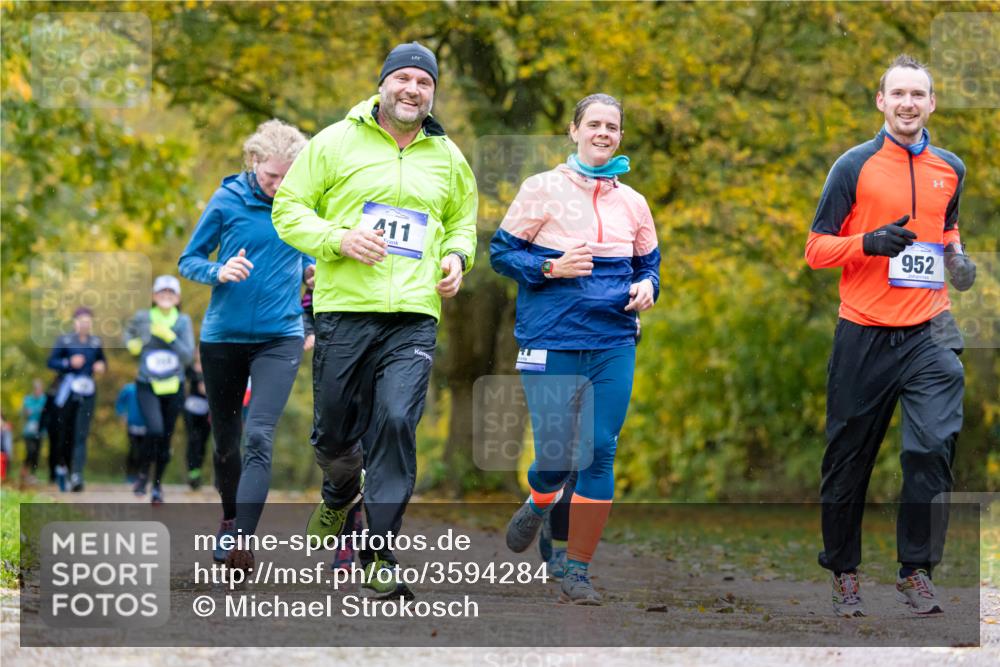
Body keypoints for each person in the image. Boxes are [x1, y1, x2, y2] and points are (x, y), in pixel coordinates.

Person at [272, 41, 477, 600]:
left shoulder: (449, 157)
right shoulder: (335, 142)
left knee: (395, 422)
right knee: (335, 433)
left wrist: (458, 258)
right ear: (383, 83)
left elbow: (462, 222)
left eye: (424, 82)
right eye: (404, 79)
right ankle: (339, 495)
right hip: (344, 310)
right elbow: (288, 209)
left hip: (413, 315)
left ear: (433, 93)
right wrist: (338, 239)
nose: (413, 89)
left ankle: (379, 550)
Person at [805, 55, 976, 618]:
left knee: (931, 448)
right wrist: (866, 243)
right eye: (897, 93)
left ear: (931, 104)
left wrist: (958, 259)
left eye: (918, 95)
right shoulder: (852, 167)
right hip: (865, 332)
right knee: (848, 458)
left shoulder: (950, 166)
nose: (908, 103)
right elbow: (815, 249)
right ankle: (845, 574)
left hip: (930, 329)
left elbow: (946, 229)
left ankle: (916, 571)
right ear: (880, 101)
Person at [491, 93, 660, 605]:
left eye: (612, 126)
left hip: (612, 339)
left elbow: (649, 267)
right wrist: (549, 267)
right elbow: (501, 254)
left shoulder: (633, 203)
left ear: (620, 137)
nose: (603, 133)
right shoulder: (540, 190)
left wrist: (648, 287)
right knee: (557, 454)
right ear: (574, 131)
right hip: (551, 339)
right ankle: (541, 498)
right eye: (594, 124)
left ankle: (578, 569)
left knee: (601, 447)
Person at [179, 119, 311, 569]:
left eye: (287, 177)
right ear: (254, 162)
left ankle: (241, 538)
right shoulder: (227, 200)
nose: (278, 186)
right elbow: (189, 259)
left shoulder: (302, 202)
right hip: (223, 338)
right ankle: (229, 516)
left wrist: (311, 284)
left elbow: (317, 256)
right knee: (226, 443)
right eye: (272, 176)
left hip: (281, 336)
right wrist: (218, 271)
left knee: (259, 436)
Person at [124, 275, 195, 505]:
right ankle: (143, 472)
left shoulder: (183, 322)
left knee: (165, 437)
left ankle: (156, 486)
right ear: (154, 296)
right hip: (147, 383)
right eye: (161, 291)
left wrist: (170, 337)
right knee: (154, 429)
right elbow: (127, 334)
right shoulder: (143, 317)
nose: (166, 295)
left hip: (174, 386)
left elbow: (187, 356)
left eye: (171, 292)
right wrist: (131, 344)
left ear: (177, 298)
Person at [46, 306, 106, 492]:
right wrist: (68, 363)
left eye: (88, 322)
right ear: (75, 322)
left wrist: (100, 366)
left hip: (87, 392)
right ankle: (61, 469)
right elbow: (50, 362)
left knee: (81, 433)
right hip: (66, 393)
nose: (84, 324)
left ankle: (77, 474)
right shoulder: (64, 341)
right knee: (64, 433)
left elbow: (102, 361)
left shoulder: (95, 342)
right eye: (81, 321)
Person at [183, 353, 211, 490]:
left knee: (203, 442)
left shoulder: (213, 367)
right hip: (191, 409)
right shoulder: (189, 368)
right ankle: (192, 471)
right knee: (193, 439)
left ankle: (197, 470)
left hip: (207, 411)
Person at [114, 381, 146, 483]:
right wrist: (122, 414)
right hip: (132, 424)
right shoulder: (130, 389)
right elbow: (120, 402)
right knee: (133, 450)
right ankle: (130, 475)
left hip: (147, 426)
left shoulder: (151, 390)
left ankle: (142, 475)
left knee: (144, 452)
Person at [20, 378, 48, 483]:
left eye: (40, 389)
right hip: (28, 431)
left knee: (36, 453)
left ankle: (33, 474)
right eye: (36, 389)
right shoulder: (28, 399)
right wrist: (28, 412)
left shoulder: (44, 399)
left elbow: (46, 413)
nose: (38, 391)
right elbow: (24, 413)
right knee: (30, 451)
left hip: (40, 431)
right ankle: (24, 471)